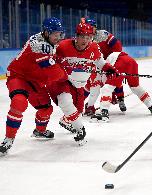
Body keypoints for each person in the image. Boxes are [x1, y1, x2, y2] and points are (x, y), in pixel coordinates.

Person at [0, 17, 67, 155]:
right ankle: (8, 139)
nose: (58, 37)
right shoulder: (39, 45)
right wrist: (68, 74)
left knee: (46, 110)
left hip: (35, 80)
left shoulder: (47, 41)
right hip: (19, 76)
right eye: (56, 34)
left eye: (60, 34)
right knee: (19, 102)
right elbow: (55, 74)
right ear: (47, 33)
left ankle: (40, 131)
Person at [49, 22, 118, 137]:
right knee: (66, 102)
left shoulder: (94, 48)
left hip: (79, 85)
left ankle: (65, 120)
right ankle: (77, 128)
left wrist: (109, 69)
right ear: (76, 36)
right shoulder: (63, 46)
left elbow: (101, 63)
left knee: (79, 111)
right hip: (65, 82)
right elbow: (50, 60)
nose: (85, 40)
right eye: (82, 37)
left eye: (88, 37)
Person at [92, 51, 152, 122]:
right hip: (132, 62)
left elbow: (108, 86)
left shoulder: (104, 66)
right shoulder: (111, 57)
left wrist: (111, 99)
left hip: (121, 63)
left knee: (107, 88)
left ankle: (104, 112)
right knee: (135, 87)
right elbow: (117, 85)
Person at [81, 18, 127, 114]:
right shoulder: (84, 37)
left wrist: (115, 59)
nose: (88, 29)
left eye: (91, 27)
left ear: (95, 28)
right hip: (97, 63)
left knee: (115, 78)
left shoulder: (103, 34)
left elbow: (117, 46)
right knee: (92, 84)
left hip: (110, 62)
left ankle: (120, 99)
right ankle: (80, 102)